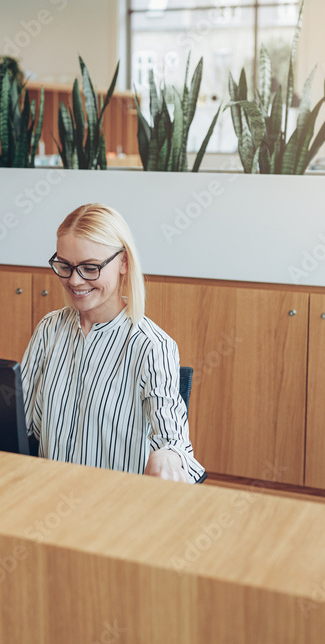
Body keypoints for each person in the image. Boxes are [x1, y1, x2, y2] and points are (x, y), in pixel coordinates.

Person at [20, 203, 205, 483]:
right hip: (48, 497)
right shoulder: (50, 329)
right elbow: (19, 423)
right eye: (65, 266)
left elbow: (173, 439)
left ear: (124, 263)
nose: (75, 280)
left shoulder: (151, 346)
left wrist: (168, 455)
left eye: (90, 268)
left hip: (116, 509)